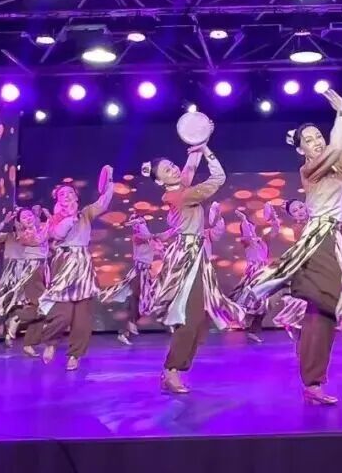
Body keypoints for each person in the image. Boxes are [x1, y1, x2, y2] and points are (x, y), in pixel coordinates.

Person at [247, 88, 342, 406]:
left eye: (317, 136)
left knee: (323, 313)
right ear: (301, 150)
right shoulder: (310, 170)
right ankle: (309, 359)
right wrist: (341, 114)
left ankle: (312, 380)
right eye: (308, 140)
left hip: (335, 239)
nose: (316, 141)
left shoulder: (338, 165)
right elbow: (338, 145)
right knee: (333, 302)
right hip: (319, 238)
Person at [143, 141, 247, 395]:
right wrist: (207, 150)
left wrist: (199, 144)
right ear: (159, 181)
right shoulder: (182, 195)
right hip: (186, 257)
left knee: (199, 320)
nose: (173, 169)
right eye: (166, 170)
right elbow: (218, 178)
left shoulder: (181, 188)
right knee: (189, 317)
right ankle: (171, 370)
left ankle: (174, 369)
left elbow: (188, 168)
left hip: (196, 254)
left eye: (171, 165)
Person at [23, 167, 114, 371]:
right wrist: (69, 219)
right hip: (63, 263)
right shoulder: (55, 219)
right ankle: (50, 342)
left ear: (76, 197)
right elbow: (56, 235)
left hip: (82, 264)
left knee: (82, 317)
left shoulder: (85, 213)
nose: (66, 196)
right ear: (57, 199)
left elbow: (103, 202)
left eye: (70, 193)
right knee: (62, 314)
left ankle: (75, 354)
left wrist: (109, 183)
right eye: (62, 194)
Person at [0, 206, 50, 345]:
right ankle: (15, 322)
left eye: (30, 215)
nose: (28, 218)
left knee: (35, 304)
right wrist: (4, 222)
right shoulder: (14, 236)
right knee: (28, 302)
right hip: (20, 273)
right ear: (18, 221)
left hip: (38, 270)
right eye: (24, 217)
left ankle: (18, 325)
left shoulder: (41, 231)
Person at [99, 216, 167, 345]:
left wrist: (172, 232)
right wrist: (157, 236)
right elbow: (148, 237)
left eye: (141, 222)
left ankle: (126, 330)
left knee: (143, 302)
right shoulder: (138, 237)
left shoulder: (149, 239)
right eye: (137, 224)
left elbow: (158, 242)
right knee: (138, 299)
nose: (140, 226)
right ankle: (128, 327)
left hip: (145, 272)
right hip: (138, 272)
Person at [229, 207, 277, 344]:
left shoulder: (261, 240)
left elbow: (274, 231)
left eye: (250, 224)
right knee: (250, 302)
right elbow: (248, 235)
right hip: (254, 273)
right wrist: (243, 220)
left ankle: (253, 331)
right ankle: (243, 322)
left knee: (263, 305)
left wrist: (273, 218)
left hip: (263, 272)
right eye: (246, 226)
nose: (249, 226)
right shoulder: (247, 241)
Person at [270, 199, 309, 342]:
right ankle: (299, 340)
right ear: (292, 216)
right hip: (307, 265)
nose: (300, 211)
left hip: (319, 264)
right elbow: (304, 249)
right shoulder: (298, 227)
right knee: (304, 304)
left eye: (301, 207)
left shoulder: (315, 221)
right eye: (295, 211)